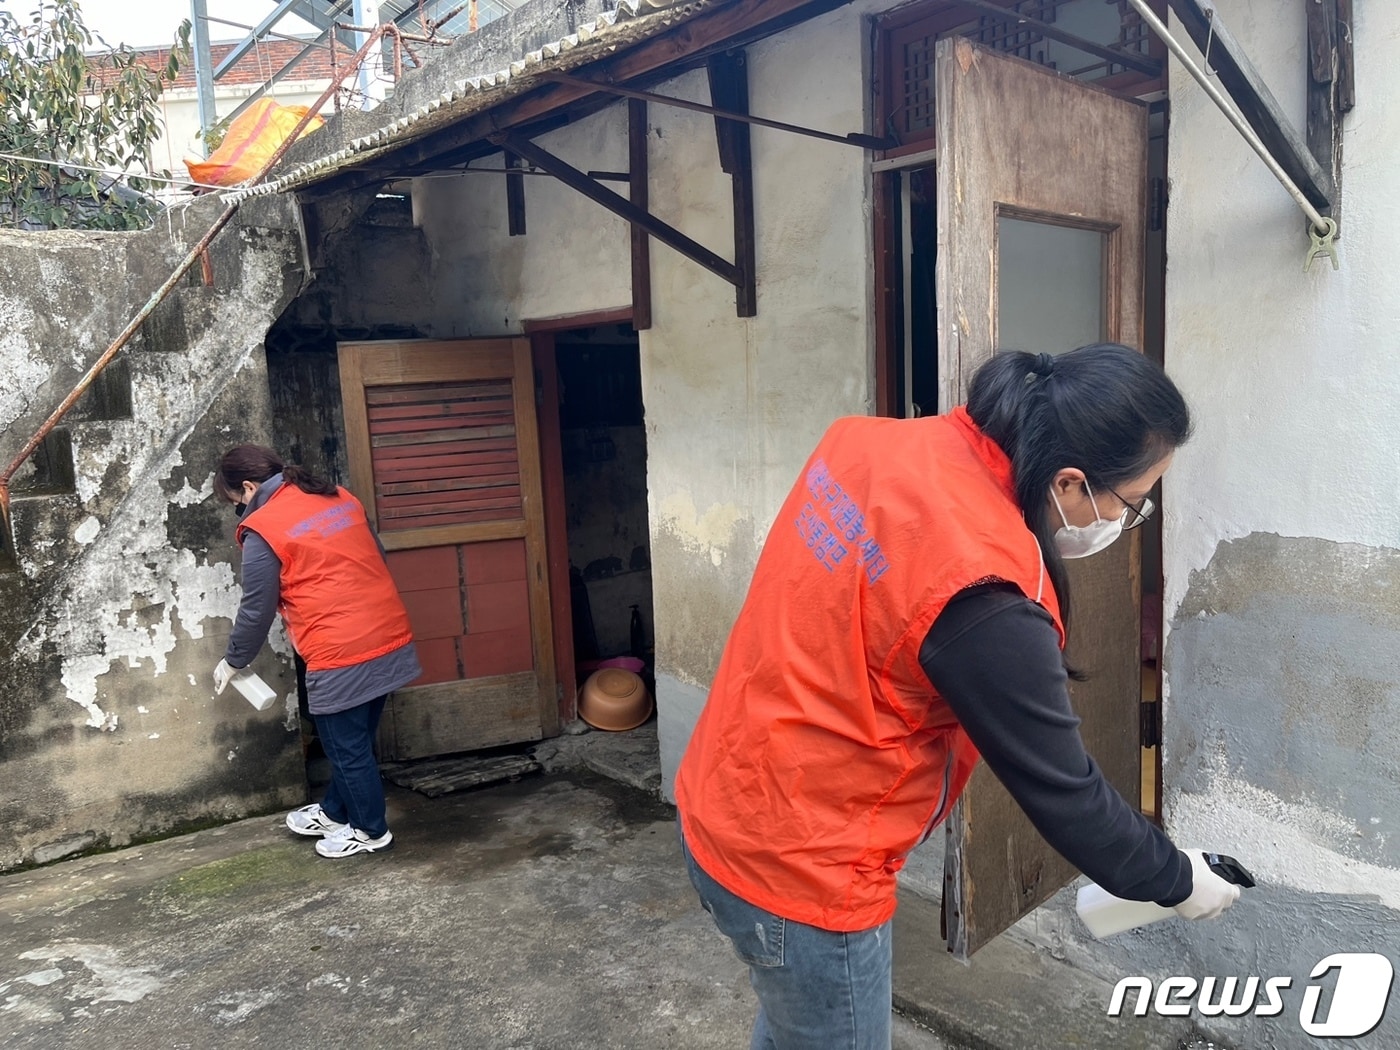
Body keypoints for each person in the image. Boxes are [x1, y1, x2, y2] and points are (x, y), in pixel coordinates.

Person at [674, 344, 1242, 1049]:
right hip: (805, 868)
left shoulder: (877, 444)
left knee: (794, 1021)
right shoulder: (983, 593)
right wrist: (1179, 881)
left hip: (725, 794)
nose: (1134, 519)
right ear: (1070, 485)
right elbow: (1066, 795)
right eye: (1134, 504)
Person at [213, 445, 420, 859]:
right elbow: (376, 557)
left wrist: (234, 660)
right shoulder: (338, 496)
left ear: (249, 487)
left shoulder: (264, 527)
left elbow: (256, 608)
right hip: (388, 632)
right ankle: (334, 812)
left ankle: (369, 830)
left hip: (340, 649)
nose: (240, 511)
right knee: (355, 740)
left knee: (346, 747)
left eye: (236, 502)